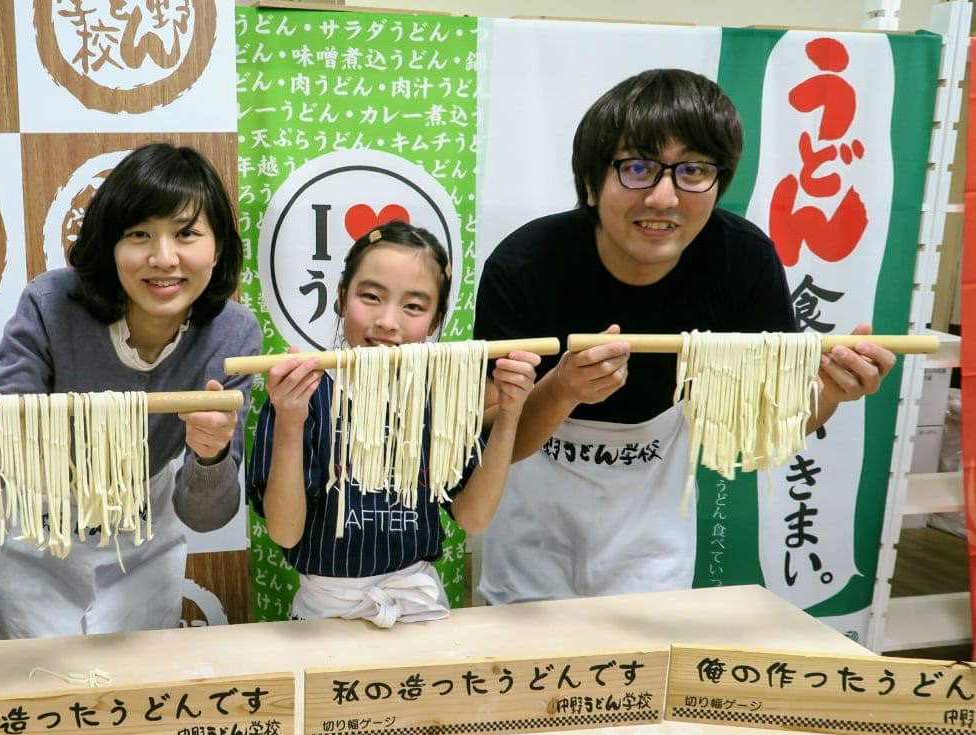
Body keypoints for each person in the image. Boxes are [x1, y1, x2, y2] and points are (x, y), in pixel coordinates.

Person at [472, 68, 895, 604]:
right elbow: (490, 443)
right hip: (530, 530)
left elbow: (755, 434)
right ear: (589, 184)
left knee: (642, 675)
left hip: (652, 540)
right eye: (639, 168)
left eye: (693, 170)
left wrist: (830, 392)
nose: (664, 198)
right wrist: (562, 391)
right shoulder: (526, 265)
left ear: (718, 184)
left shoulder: (741, 262)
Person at [0, 142, 262, 639]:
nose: (163, 257)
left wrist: (211, 457)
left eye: (187, 234)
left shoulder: (232, 335)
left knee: (141, 687)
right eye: (139, 234)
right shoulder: (50, 305)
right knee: (45, 687)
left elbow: (206, 515)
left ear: (218, 247)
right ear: (108, 244)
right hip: (36, 533)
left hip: (142, 532)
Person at [247, 221, 538, 626]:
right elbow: (284, 532)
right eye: (370, 296)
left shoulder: (440, 399)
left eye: (414, 306)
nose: (387, 321)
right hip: (326, 614)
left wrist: (509, 413)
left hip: (417, 604)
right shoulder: (303, 394)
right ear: (341, 297)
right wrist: (291, 422)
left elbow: (473, 519)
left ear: (436, 322)